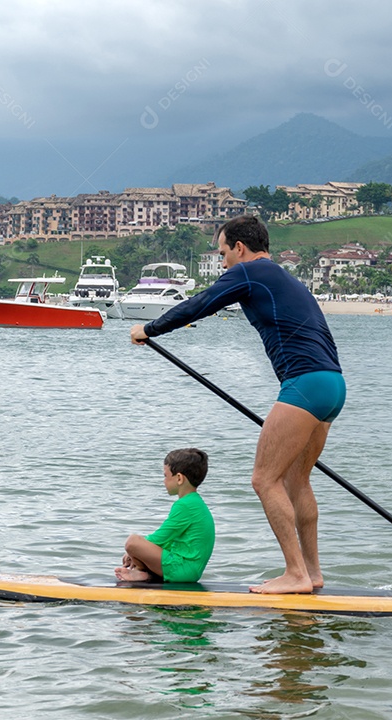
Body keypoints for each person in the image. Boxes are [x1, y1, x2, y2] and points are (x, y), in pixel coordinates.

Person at [130, 215, 345, 594]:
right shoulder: (284, 278)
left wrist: (148, 329)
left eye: (223, 252)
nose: (223, 261)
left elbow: (200, 304)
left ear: (240, 248)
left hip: (305, 384)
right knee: (297, 480)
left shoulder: (250, 272)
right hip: (332, 383)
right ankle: (311, 573)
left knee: (264, 479)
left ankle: (295, 574)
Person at [115, 447, 215, 584]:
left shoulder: (185, 505)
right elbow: (169, 539)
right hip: (189, 569)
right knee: (141, 544)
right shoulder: (194, 502)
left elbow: (161, 537)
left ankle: (140, 571)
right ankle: (147, 575)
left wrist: (133, 553)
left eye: (165, 476)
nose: (164, 481)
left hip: (183, 570)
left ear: (179, 478)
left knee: (132, 541)